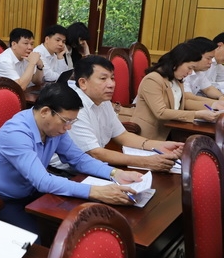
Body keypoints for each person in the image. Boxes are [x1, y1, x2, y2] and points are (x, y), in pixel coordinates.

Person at [0, 83, 146, 233]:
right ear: (45, 112)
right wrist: (96, 191)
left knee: (82, 222)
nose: (68, 127)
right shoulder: (16, 134)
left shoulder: (53, 128)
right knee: (36, 239)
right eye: (66, 121)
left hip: (31, 191)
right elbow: (43, 181)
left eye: (72, 121)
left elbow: (78, 159)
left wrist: (115, 173)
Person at [50, 56, 183, 172]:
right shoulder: (75, 106)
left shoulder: (104, 101)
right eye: (103, 79)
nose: (111, 84)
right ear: (83, 83)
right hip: (66, 172)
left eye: (112, 78)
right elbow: (95, 153)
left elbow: (123, 136)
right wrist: (147, 162)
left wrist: (160, 146)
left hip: (96, 165)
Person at [130, 43, 222, 140]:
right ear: (178, 62)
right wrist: (196, 114)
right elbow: (161, 112)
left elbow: (183, 103)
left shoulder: (177, 80)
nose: (190, 72)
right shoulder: (153, 80)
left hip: (171, 130)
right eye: (189, 68)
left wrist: (214, 106)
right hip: (149, 134)